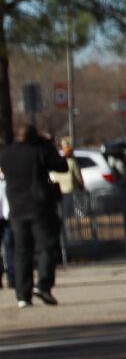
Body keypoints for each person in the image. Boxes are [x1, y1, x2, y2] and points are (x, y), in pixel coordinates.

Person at [0, 123, 68, 307]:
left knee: (21, 251)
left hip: (16, 208)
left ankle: (23, 295)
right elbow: (61, 166)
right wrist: (48, 145)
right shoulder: (40, 150)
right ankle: (43, 284)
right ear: (33, 137)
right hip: (40, 206)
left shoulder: (6, 154)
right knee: (46, 246)